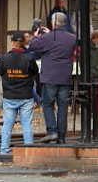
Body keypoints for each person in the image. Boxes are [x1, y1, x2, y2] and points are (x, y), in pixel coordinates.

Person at [28, 11, 78, 143]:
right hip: (65, 76)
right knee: (62, 106)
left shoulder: (47, 37)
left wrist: (36, 36)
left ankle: (52, 131)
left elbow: (33, 46)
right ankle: (61, 136)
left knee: (47, 104)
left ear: (52, 22)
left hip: (49, 76)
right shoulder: (71, 38)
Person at [0, 33, 39, 155]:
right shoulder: (29, 58)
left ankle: (4, 149)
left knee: (7, 124)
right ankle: (29, 150)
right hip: (26, 95)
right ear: (24, 43)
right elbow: (35, 72)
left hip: (10, 95)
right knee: (26, 124)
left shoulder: (5, 58)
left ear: (12, 43)